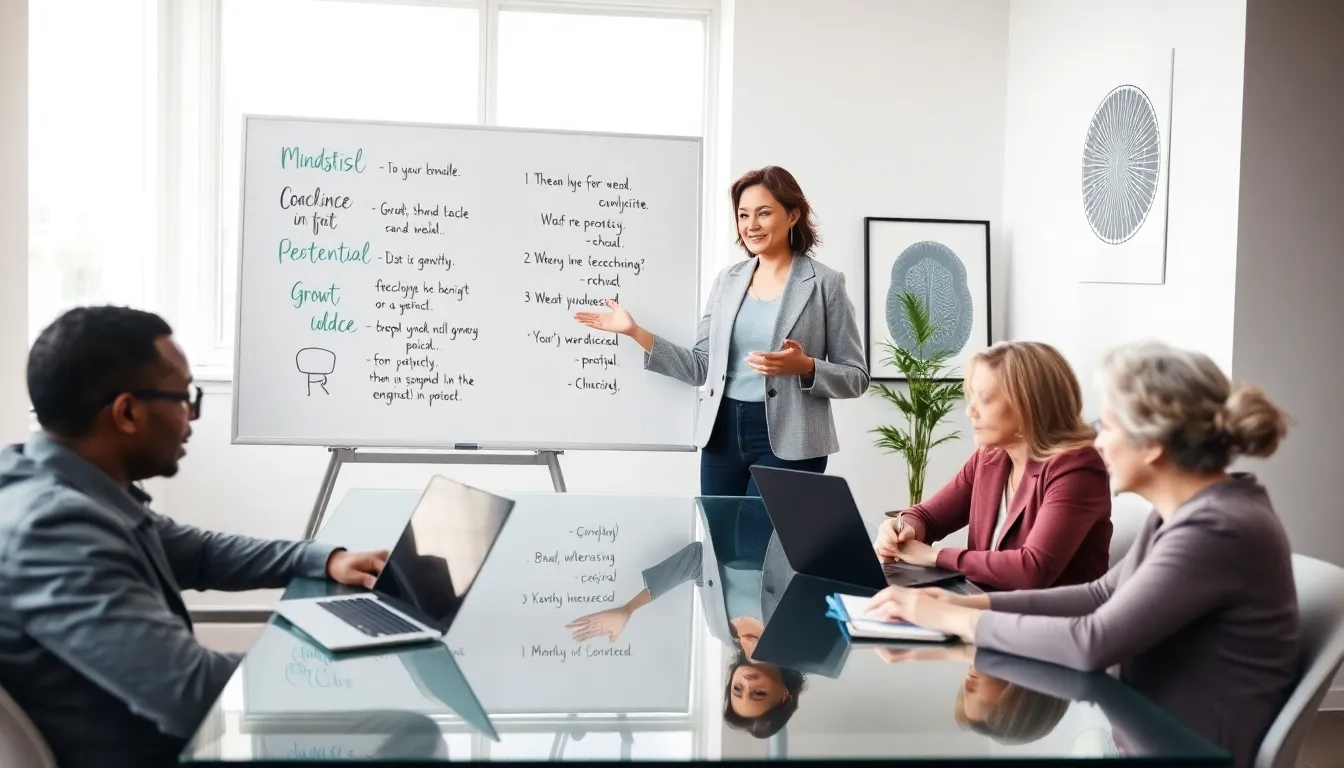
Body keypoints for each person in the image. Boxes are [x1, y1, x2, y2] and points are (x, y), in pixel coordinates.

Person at [864, 340, 1299, 768]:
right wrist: (965, 604)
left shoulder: (1215, 530)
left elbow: (1091, 642)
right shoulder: (1187, 516)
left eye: (1107, 426)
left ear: (1152, 444)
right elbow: (1099, 595)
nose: (1097, 442)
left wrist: (951, 618)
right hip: (1148, 733)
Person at [0, 306, 390, 768]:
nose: (192, 416)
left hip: (162, 739)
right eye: (185, 397)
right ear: (127, 413)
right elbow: (193, 693)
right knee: (401, 733)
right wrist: (341, 672)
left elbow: (201, 553)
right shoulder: (54, 531)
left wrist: (324, 559)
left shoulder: (61, 483)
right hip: (157, 752)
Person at [574, 166, 869, 496]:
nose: (751, 225)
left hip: (793, 439)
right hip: (722, 433)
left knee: (764, 530)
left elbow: (856, 377)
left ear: (793, 215)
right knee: (720, 528)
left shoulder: (825, 283)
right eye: (743, 215)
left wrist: (805, 366)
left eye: (764, 213)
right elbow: (701, 366)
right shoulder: (727, 281)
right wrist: (634, 331)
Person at [873, 341, 1113, 590]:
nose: (970, 411)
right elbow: (928, 518)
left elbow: (1033, 570)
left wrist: (934, 556)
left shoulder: (1078, 469)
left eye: (985, 399)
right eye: (972, 396)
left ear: (1029, 404)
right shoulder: (990, 458)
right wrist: (904, 528)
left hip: (1047, 614)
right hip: (984, 604)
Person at [564, 498, 804, 737]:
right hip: (772, 509)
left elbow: (697, 561)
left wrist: (628, 609)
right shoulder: (797, 632)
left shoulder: (719, 629)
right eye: (759, 693)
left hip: (719, 502)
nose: (748, 682)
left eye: (738, 689)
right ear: (784, 696)